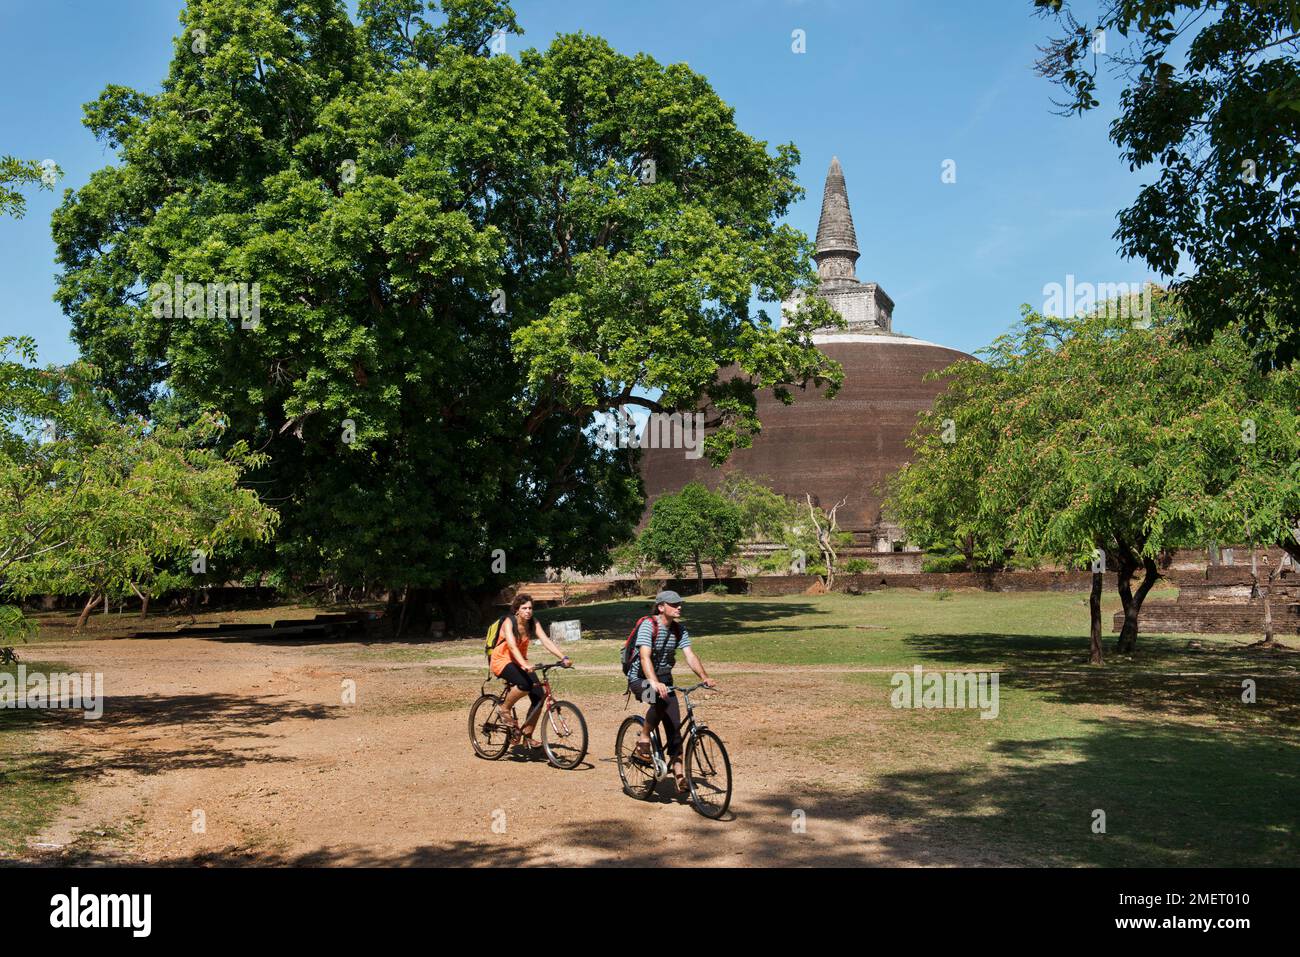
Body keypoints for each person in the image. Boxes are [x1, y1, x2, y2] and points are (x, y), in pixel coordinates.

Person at [627, 590, 716, 791]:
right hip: (640, 680)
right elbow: (644, 657)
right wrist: (653, 682)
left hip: (665, 681)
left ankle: (679, 774)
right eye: (674, 604)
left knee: (675, 727)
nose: (679, 607)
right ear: (661, 607)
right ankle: (643, 738)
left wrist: (704, 677)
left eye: (679, 604)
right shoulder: (648, 626)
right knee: (657, 699)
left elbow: (690, 655)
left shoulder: (679, 630)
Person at [490, 593, 571, 748]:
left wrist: (563, 657)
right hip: (502, 660)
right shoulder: (509, 622)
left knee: (539, 696)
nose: (528, 611)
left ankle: (527, 736)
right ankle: (504, 708)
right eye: (524, 608)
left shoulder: (533, 622)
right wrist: (525, 665)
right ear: (517, 610)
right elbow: (512, 646)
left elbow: (546, 640)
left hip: (520, 661)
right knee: (525, 685)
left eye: (530, 608)